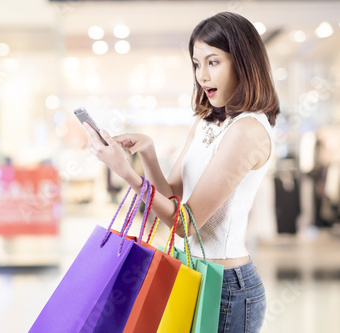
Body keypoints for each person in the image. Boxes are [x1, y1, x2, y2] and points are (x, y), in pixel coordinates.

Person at [83, 11, 279, 333]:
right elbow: (171, 196)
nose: (202, 75)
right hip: (190, 272)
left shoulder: (248, 131)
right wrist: (147, 151)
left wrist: (126, 174)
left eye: (213, 62)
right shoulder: (207, 120)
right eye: (197, 63)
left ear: (243, 63)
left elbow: (185, 224)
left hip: (226, 288)